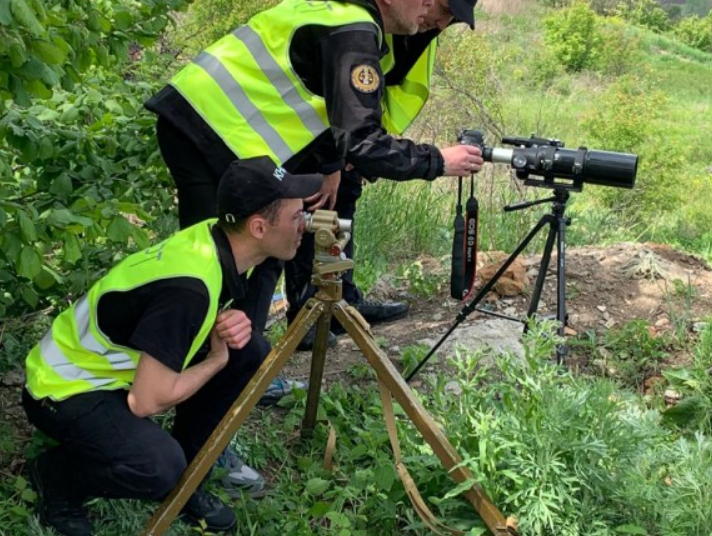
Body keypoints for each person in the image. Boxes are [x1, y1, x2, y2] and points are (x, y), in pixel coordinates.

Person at [145, 0, 482, 493]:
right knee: (220, 285)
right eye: (439, 6)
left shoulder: (349, 16)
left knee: (262, 271)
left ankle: (237, 379)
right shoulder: (352, 32)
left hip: (236, 138)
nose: (440, 20)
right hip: (208, 134)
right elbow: (364, 141)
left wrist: (327, 159)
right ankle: (198, 450)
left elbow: (315, 97)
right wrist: (438, 160)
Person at [22, 157, 323, 536]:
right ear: (259, 227)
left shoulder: (215, 241)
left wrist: (217, 329)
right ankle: (56, 479)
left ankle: (187, 482)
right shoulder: (189, 288)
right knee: (157, 466)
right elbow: (147, 402)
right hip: (63, 388)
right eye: (297, 216)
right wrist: (214, 359)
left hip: (112, 370)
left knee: (249, 351)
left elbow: (162, 313)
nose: (305, 225)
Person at [285, 0, 478, 347]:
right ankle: (305, 318)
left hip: (352, 135)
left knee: (342, 205)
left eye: (452, 19)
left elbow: (377, 94)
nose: (441, 22)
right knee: (313, 207)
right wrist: (333, 159)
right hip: (310, 135)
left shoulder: (413, 26)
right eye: (445, 12)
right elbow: (323, 88)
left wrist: (358, 156)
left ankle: (343, 301)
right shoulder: (357, 23)